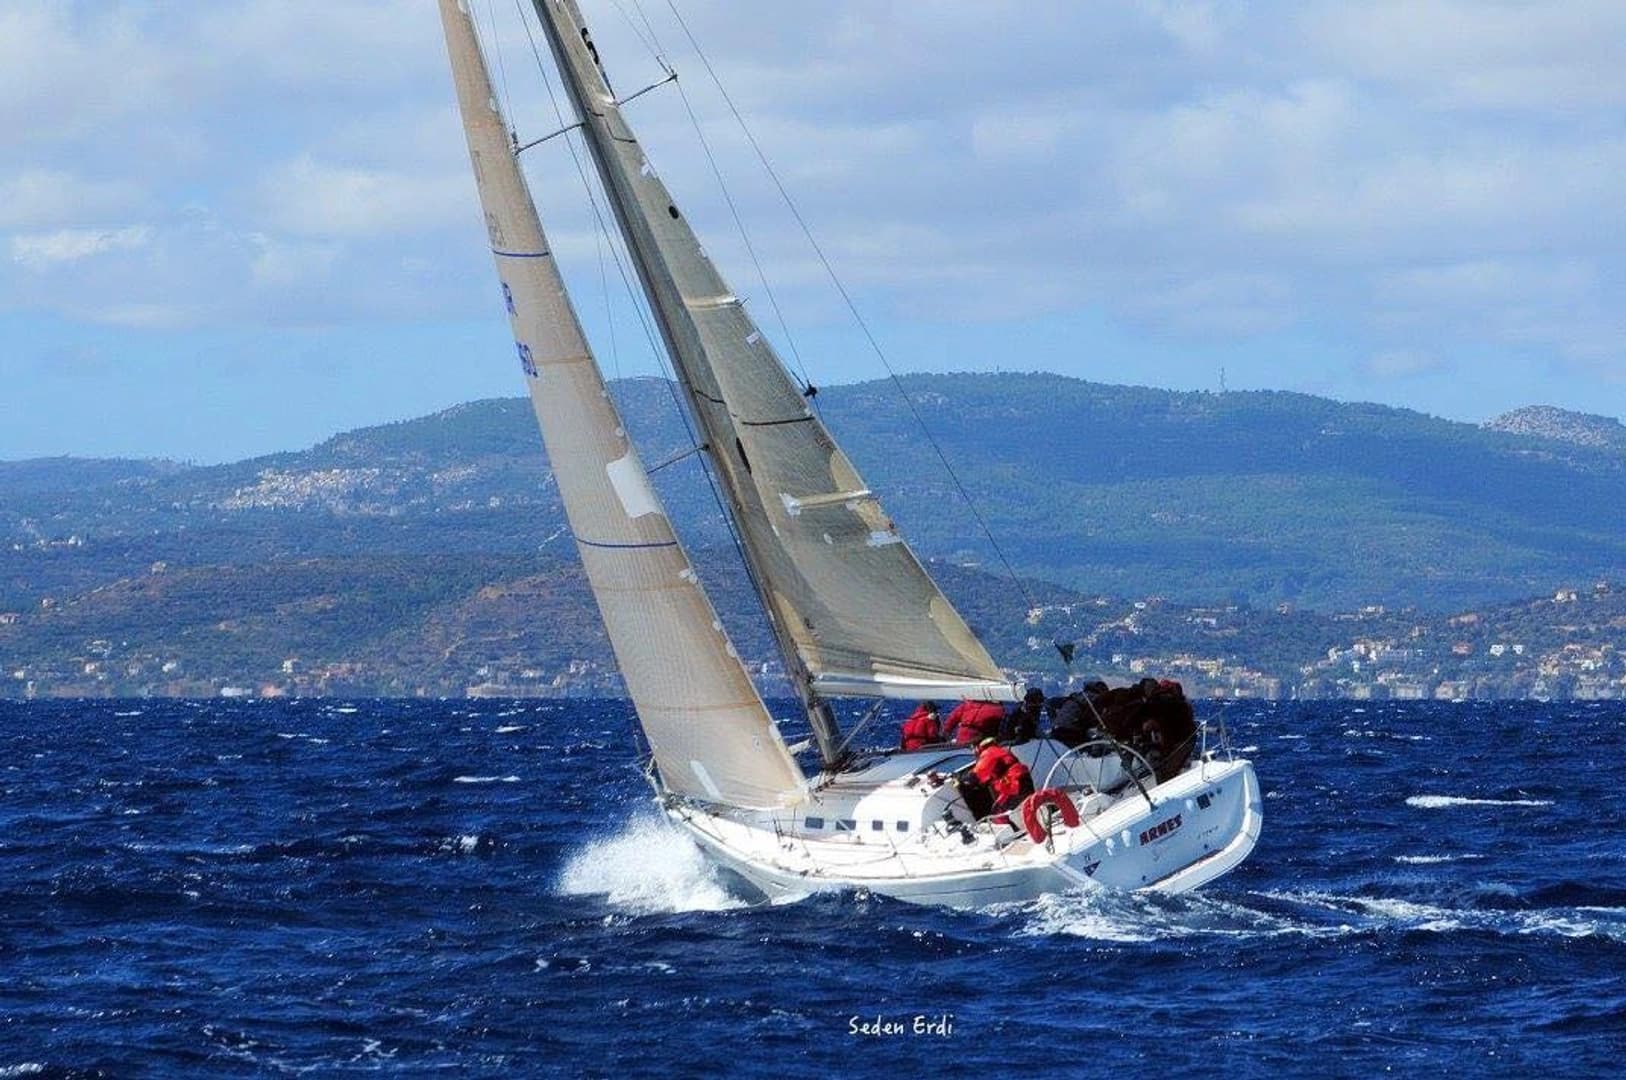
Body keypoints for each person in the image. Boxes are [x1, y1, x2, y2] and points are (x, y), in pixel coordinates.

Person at [969, 737, 1033, 823]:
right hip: (1020, 781)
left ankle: (1015, 831)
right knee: (1000, 808)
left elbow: (978, 772)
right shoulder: (999, 750)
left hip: (1014, 784)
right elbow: (987, 776)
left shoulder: (989, 752)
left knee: (999, 813)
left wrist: (967, 778)